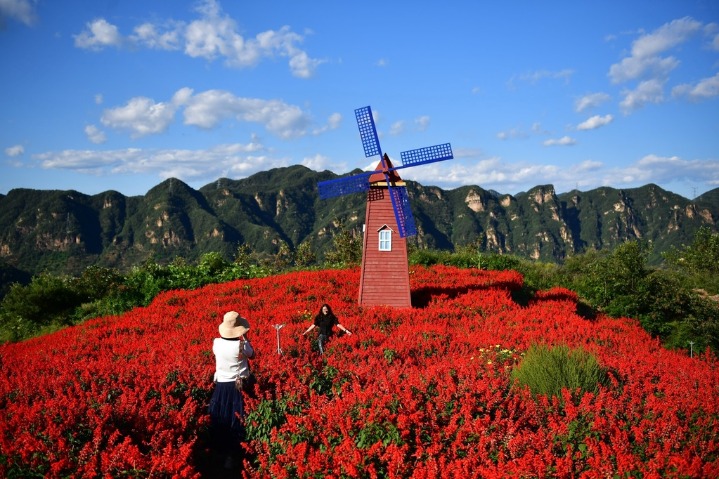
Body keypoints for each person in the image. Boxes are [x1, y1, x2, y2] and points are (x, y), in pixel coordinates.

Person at [208, 311, 255, 470]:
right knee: (238, 417)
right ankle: (235, 455)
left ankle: (219, 453)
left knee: (222, 417)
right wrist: (246, 337)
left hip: (221, 385)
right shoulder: (240, 345)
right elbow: (252, 354)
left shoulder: (216, 343)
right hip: (237, 385)